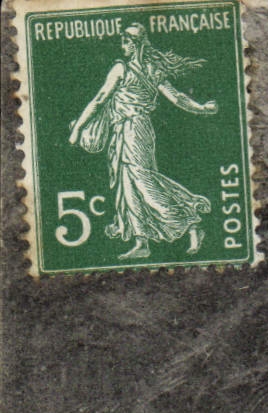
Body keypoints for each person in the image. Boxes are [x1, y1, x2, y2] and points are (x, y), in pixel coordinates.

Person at [69, 25, 215, 260]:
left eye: (125, 42)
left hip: (133, 130)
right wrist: (201, 109)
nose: (122, 46)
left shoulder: (122, 68)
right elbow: (177, 97)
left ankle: (189, 222)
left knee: (143, 181)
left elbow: (99, 99)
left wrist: (77, 128)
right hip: (128, 130)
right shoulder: (151, 68)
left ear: (133, 43)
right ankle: (141, 241)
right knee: (128, 185)